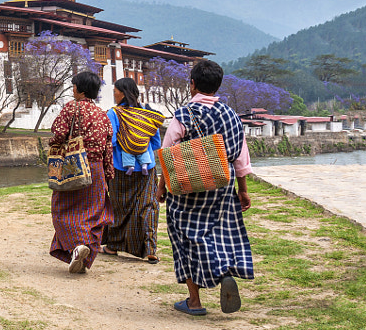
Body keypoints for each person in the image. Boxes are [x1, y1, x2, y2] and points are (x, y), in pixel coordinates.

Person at [157, 59, 254, 316]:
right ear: (218, 85)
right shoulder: (231, 115)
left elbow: (167, 154)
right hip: (222, 186)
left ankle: (194, 301)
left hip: (187, 188)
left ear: (192, 85)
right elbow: (241, 157)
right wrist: (242, 190)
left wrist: (161, 187)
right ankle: (223, 274)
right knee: (217, 235)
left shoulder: (183, 115)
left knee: (186, 238)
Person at [48, 70, 114, 274]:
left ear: (80, 89)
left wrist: (54, 144)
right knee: (93, 213)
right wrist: (108, 173)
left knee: (62, 208)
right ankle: (84, 253)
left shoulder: (72, 108)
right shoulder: (102, 114)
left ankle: (77, 246)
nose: (73, 89)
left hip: (74, 165)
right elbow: (108, 146)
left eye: (74, 85)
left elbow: (58, 134)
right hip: (96, 169)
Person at [102, 77, 163, 263]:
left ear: (123, 92)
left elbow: (110, 142)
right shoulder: (147, 112)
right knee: (148, 205)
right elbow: (156, 142)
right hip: (147, 168)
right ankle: (150, 248)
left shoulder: (114, 113)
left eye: (116, 90)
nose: (114, 93)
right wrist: (140, 153)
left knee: (120, 206)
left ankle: (113, 246)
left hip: (121, 168)